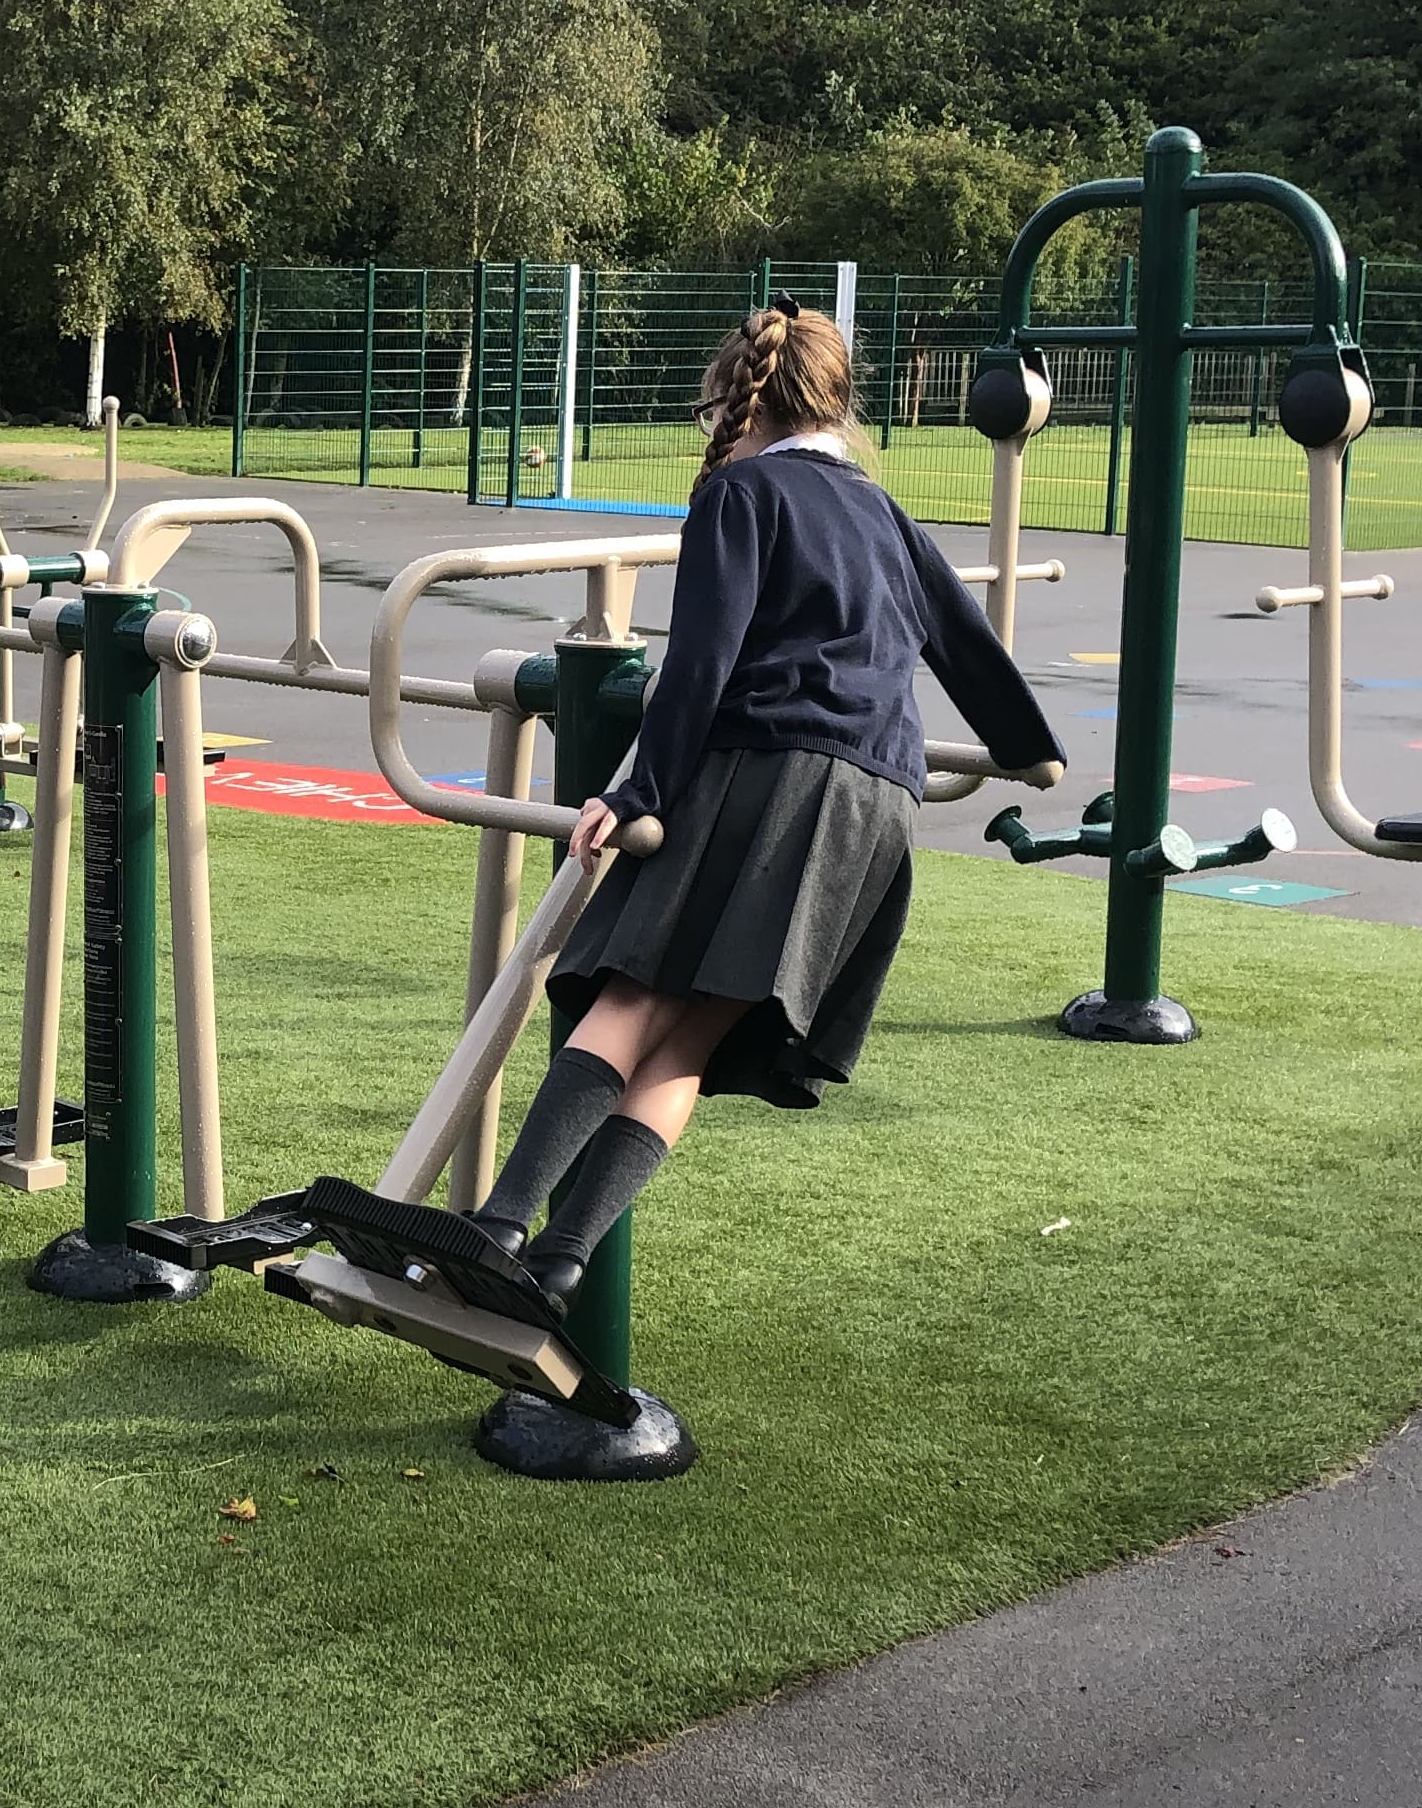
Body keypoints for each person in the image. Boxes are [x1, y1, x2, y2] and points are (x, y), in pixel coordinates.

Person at [307, 298, 1064, 1483]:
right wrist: (1032, 748)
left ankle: (500, 1226)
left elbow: (706, 654)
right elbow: (966, 642)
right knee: (691, 1043)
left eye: (713, 410)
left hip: (764, 774)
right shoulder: (885, 511)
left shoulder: (742, 494)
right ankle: (559, 1263)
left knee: (631, 985)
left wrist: (636, 782)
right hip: (878, 805)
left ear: (741, 403)